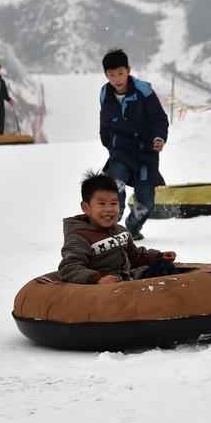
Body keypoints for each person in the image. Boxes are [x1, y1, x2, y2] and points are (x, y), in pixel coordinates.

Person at [99, 49, 169, 241]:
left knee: (146, 202)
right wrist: (109, 144)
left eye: (120, 73)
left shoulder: (143, 91)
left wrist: (159, 138)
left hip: (145, 154)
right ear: (106, 75)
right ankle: (110, 229)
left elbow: (159, 119)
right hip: (120, 153)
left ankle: (132, 228)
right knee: (114, 187)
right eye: (111, 75)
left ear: (128, 70)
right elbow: (104, 123)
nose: (117, 79)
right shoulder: (105, 92)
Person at [58, 172, 177, 284]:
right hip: (106, 290)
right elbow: (70, 267)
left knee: (164, 269)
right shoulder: (80, 236)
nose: (109, 209)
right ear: (86, 208)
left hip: (127, 281)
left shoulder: (121, 231)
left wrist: (157, 256)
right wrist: (97, 279)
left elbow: (134, 256)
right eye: (102, 204)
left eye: (113, 203)